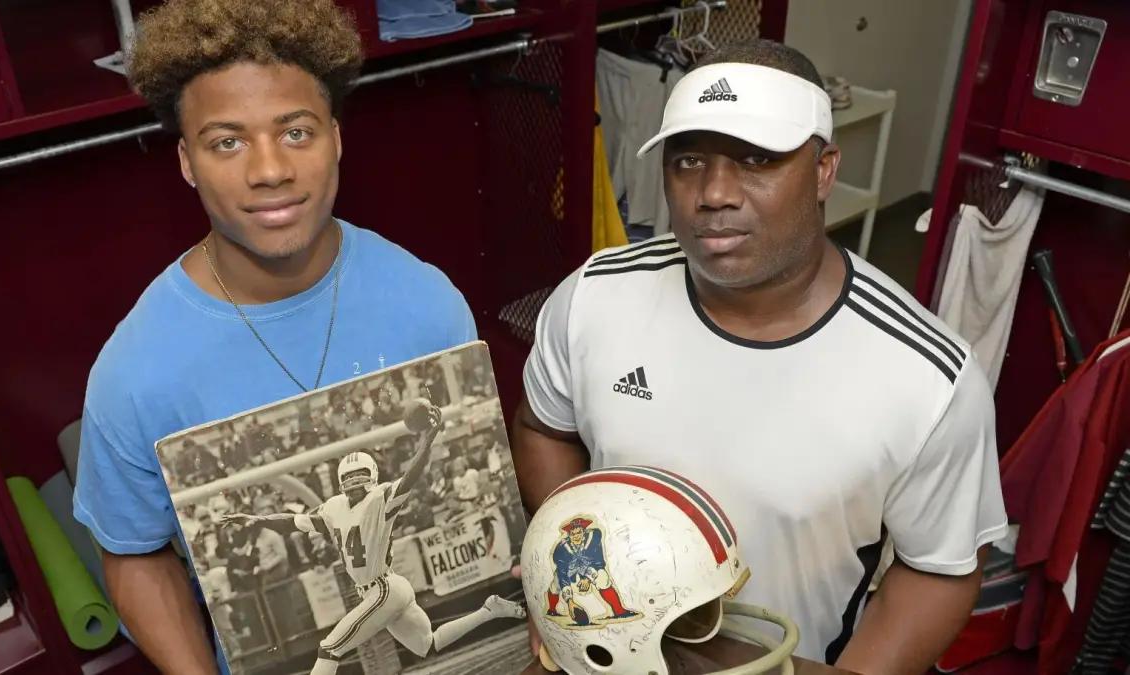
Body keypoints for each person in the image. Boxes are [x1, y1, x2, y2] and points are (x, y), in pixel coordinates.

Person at [511, 39, 1008, 674]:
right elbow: (542, 427)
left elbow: (940, 568)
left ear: (825, 169)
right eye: (688, 160)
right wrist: (566, 574)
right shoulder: (594, 297)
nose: (714, 192)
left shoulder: (928, 378)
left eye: (757, 159)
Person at [70, 1, 476, 673]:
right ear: (186, 161)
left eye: (296, 131)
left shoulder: (428, 303)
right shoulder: (135, 371)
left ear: (337, 138)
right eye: (227, 141)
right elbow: (135, 553)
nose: (269, 170)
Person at [221, 400, 525, 675]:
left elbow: (412, 475)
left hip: (383, 588)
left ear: (372, 477)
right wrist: (256, 519)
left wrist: (427, 439)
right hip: (382, 589)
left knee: (329, 647)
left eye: (359, 477)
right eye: (349, 479)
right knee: (427, 645)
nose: (354, 483)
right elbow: (293, 522)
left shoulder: (380, 499)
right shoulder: (334, 508)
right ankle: (489, 611)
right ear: (341, 483)